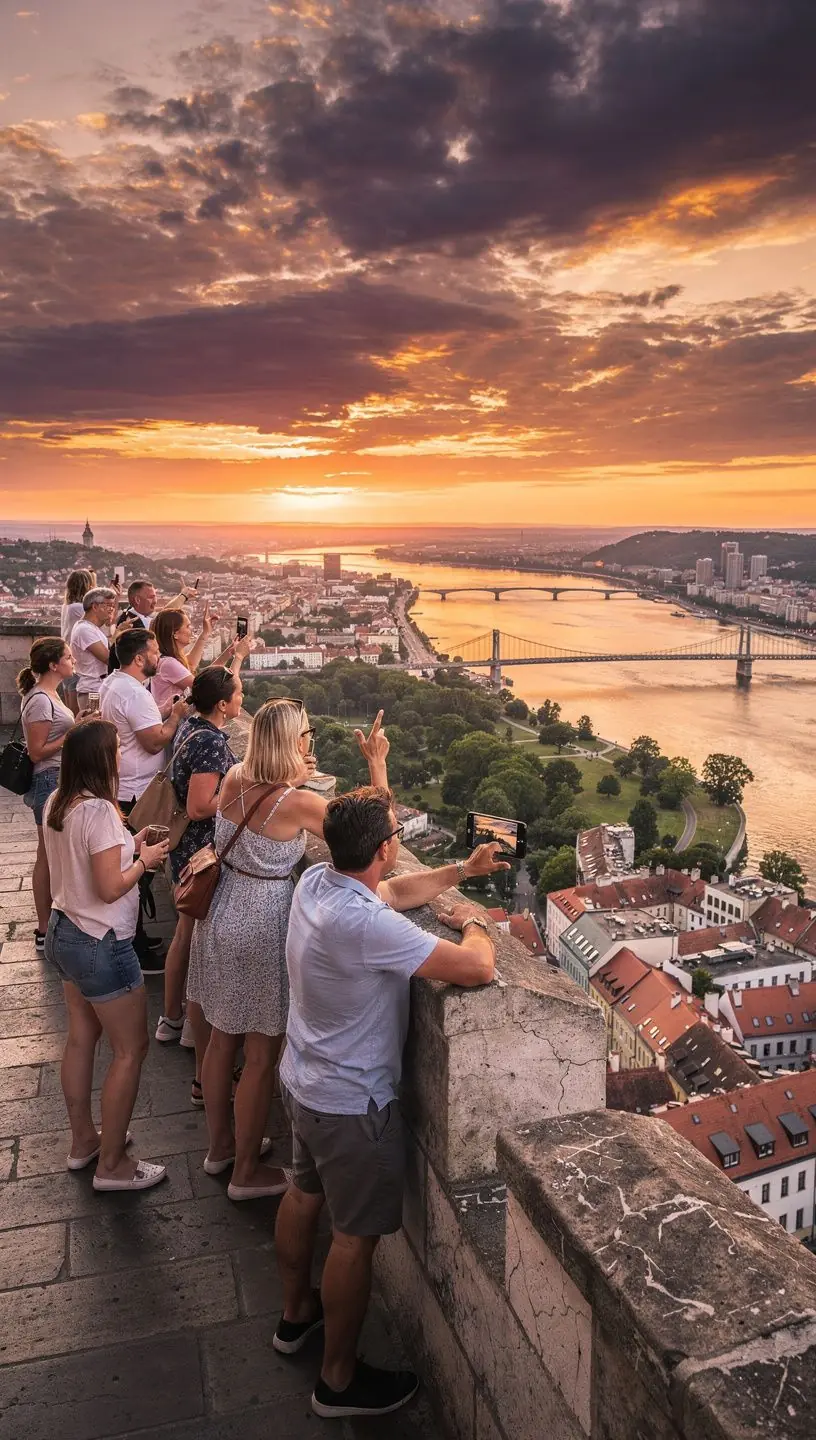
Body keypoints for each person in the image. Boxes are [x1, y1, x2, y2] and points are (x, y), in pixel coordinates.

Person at [274, 787, 508, 1419]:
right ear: (383, 847)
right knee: (353, 1240)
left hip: (302, 1078)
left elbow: (396, 892)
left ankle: (295, 1315)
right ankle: (338, 1382)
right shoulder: (363, 924)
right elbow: (475, 971)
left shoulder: (318, 885)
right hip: (353, 1104)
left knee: (301, 1194)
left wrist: (462, 870)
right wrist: (479, 922)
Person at [187, 703, 389, 1201]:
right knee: (259, 1056)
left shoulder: (234, 777)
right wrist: (376, 764)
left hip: (221, 912)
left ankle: (220, 1150)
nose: (310, 743)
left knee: (220, 1041)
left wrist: (296, 775)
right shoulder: (294, 803)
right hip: (261, 922)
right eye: (305, 737)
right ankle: (246, 1173)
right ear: (289, 744)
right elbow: (375, 834)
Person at [42, 719, 170, 1190]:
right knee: (130, 1050)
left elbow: (84, 863)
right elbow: (110, 885)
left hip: (65, 930)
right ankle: (113, 1165)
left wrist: (132, 843)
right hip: (100, 941)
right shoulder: (98, 811)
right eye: (117, 750)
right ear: (102, 759)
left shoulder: (59, 801)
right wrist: (145, 861)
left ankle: (85, 1142)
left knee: (80, 1039)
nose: (122, 756)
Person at [154, 660, 246, 1105]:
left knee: (184, 936)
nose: (243, 699)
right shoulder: (210, 743)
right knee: (190, 939)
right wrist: (242, 791)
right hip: (200, 851)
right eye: (239, 693)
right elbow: (198, 806)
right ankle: (186, 1027)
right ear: (224, 704)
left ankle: (174, 1020)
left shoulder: (192, 726)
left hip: (187, 851)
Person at [99, 628, 189, 969]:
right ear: (139, 658)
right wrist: (178, 716)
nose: (159, 657)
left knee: (132, 864)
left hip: (123, 785)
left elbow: (143, 722)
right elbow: (154, 741)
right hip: (138, 789)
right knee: (140, 869)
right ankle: (133, 947)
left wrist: (166, 708)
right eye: (154, 652)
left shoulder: (114, 683)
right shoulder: (133, 694)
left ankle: (133, 937)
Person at [17, 638, 75, 953]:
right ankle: (43, 928)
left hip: (57, 778)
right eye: (67, 656)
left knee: (52, 852)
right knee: (47, 854)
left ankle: (51, 922)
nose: (73, 659)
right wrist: (75, 733)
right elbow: (37, 752)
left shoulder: (48, 693)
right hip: (48, 780)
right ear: (53, 664)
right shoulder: (40, 699)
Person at [70, 587, 132, 714]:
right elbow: (109, 658)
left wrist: (119, 631)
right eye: (108, 605)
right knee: (95, 726)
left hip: (96, 689)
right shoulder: (85, 630)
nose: (112, 609)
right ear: (95, 606)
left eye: (113, 605)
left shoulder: (91, 628)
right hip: (92, 691)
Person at [151, 604, 217, 717]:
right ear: (175, 634)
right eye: (187, 626)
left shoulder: (165, 660)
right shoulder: (168, 664)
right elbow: (203, 687)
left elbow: (190, 664)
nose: (191, 630)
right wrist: (238, 659)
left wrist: (205, 633)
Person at [60, 570, 95, 715]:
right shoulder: (77, 608)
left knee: (70, 706)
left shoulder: (68, 606)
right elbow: (100, 620)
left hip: (66, 657)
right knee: (76, 712)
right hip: (77, 661)